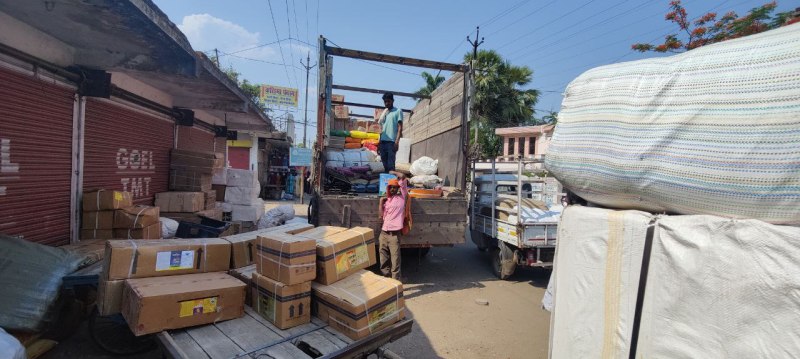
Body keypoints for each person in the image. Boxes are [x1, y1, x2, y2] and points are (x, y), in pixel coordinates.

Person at [378, 171, 408, 280]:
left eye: (395, 187)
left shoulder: (402, 197)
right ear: (388, 188)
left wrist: (393, 172)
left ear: (398, 188)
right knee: (383, 260)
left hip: (394, 235)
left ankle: (395, 284)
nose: (392, 189)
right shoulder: (387, 201)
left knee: (395, 261)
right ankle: (386, 280)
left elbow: (403, 177)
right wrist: (381, 202)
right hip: (383, 233)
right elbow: (381, 216)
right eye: (391, 187)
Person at [377, 92, 403, 172]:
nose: (386, 103)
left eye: (388, 101)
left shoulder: (398, 111)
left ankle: (392, 183)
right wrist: (379, 143)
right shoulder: (384, 113)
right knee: (384, 165)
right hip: (382, 142)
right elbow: (381, 129)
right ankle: (387, 183)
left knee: (391, 165)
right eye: (385, 102)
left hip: (391, 143)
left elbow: (400, 128)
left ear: (392, 101)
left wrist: (397, 142)